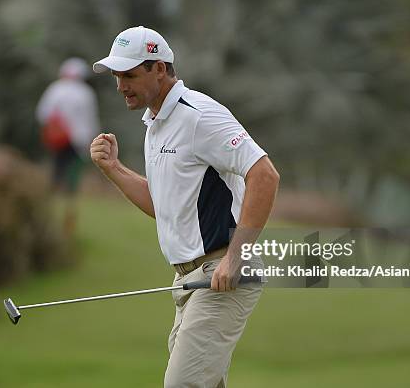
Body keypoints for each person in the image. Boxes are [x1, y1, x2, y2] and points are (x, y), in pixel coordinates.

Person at [90, 26, 279, 387]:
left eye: (129, 74)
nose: (121, 85)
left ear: (159, 69)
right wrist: (113, 169)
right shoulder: (156, 125)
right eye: (117, 76)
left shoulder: (199, 115)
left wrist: (236, 257)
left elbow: (264, 175)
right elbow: (164, 206)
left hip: (224, 273)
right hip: (189, 281)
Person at [36, 58, 100, 233]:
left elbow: (42, 114)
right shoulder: (86, 93)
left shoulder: (55, 89)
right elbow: (91, 121)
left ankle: (48, 214)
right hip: (78, 143)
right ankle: (68, 218)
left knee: (56, 175)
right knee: (73, 181)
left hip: (58, 141)